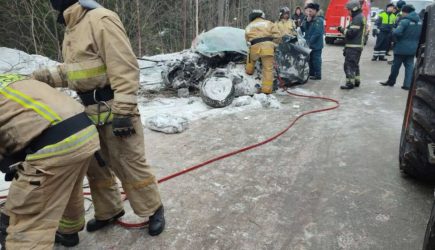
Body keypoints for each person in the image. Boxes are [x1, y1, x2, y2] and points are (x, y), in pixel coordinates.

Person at [32, 0, 165, 246]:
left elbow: (124, 65)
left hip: (115, 106)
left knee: (128, 162)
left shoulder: (100, 18)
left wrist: (124, 110)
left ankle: (153, 209)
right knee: (97, 167)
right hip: (88, 109)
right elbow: (77, 72)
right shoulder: (73, 26)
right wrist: (41, 77)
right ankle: (109, 210)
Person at [0, 74, 100, 249]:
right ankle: (68, 232)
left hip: (55, 145)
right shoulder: (10, 78)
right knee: (66, 187)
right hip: (85, 131)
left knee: (28, 216)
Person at [379, 5, 422, 90]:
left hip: (401, 47)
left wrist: (394, 33)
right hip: (413, 48)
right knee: (409, 66)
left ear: (406, 12)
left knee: (395, 66)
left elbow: (396, 33)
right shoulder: (420, 22)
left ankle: (391, 81)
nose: (402, 14)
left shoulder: (404, 22)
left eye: (402, 12)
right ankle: (407, 85)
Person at [245, 9, 280, 94]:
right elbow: (278, 36)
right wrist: (274, 45)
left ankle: (249, 70)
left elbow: (247, 40)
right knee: (267, 69)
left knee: (250, 57)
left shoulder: (248, 26)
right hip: (267, 48)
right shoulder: (268, 23)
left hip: (254, 48)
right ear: (261, 16)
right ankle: (266, 90)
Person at [338, 0, 366, 90]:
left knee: (348, 65)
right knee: (355, 64)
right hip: (356, 46)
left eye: (349, 10)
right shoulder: (359, 17)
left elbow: (351, 33)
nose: (348, 12)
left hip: (354, 46)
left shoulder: (357, 18)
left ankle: (350, 83)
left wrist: (342, 30)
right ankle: (356, 81)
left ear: (354, 9)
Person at [301, 3, 325, 80]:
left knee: (316, 60)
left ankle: (318, 75)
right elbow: (303, 29)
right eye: (308, 11)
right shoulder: (309, 19)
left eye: (311, 11)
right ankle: (311, 74)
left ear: (315, 11)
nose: (309, 13)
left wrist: (309, 42)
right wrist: (307, 21)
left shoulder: (319, 20)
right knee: (310, 60)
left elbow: (317, 33)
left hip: (316, 45)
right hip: (309, 44)